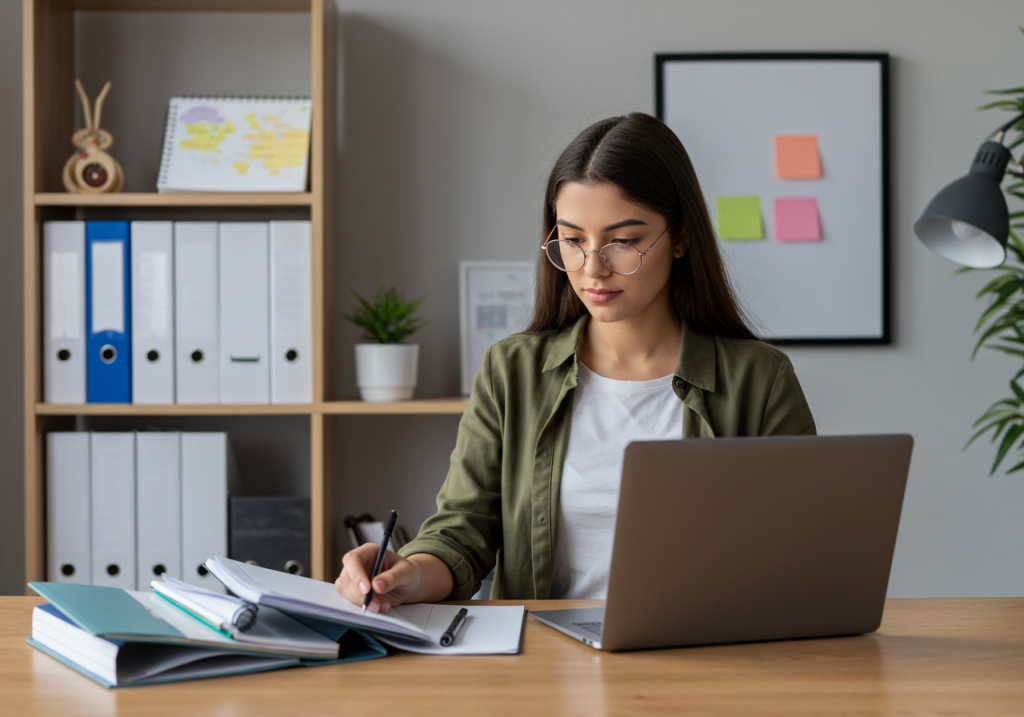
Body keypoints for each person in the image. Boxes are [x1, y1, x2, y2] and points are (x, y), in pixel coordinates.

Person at [335, 112, 816, 612]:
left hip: (705, 662)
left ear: (680, 238)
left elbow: (806, 548)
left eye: (623, 241)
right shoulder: (511, 371)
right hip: (546, 667)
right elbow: (461, 533)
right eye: (572, 240)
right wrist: (406, 573)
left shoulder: (759, 378)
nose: (592, 269)